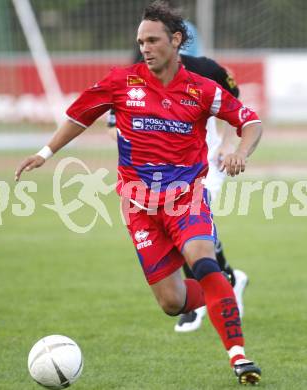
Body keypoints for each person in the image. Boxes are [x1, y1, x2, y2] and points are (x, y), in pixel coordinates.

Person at [15, 1, 263, 385]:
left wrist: (240, 152)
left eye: (152, 40)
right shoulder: (121, 82)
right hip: (139, 206)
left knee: (204, 261)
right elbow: (79, 115)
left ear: (176, 40)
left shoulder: (203, 87)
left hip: (187, 198)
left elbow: (250, 121)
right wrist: (44, 153)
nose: (145, 48)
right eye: (140, 41)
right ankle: (223, 293)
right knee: (172, 302)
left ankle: (240, 357)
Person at [108, 54, 249, 333]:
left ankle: (201, 301)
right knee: (191, 232)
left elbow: (236, 104)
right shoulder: (132, 76)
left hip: (205, 160)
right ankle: (228, 279)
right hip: (158, 170)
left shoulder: (204, 69)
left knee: (188, 227)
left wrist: (227, 143)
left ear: (174, 41)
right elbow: (114, 127)